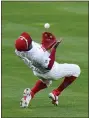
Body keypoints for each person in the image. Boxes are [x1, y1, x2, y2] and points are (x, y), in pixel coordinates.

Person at [15, 32, 81, 108]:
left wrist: (44, 44)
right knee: (76, 70)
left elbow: (39, 49)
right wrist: (54, 48)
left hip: (37, 72)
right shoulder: (36, 56)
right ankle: (56, 93)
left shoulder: (18, 51)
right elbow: (49, 65)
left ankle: (31, 94)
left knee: (46, 82)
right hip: (51, 71)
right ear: (28, 44)